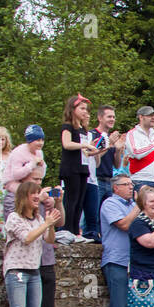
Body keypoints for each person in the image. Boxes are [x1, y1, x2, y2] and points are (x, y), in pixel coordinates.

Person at [3, 180, 60, 307]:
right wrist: (46, 223)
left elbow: (49, 240)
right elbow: (27, 238)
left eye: (38, 193)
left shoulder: (38, 220)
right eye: (32, 194)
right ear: (23, 197)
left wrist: (50, 225)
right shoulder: (14, 218)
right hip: (17, 270)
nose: (37, 197)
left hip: (34, 270)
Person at [101, 174, 141, 307]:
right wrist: (138, 208)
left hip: (132, 261)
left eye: (131, 184)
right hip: (116, 260)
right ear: (116, 188)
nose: (130, 187)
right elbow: (124, 225)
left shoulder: (132, 206)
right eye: (126, 185)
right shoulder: (110, 204)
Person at [59, 94, 95, 243]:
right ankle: (66, 230)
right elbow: (67, 144)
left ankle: (75, 231)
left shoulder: (83, 129)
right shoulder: (68, 126)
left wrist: (95, 150)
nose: (84, 111)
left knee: (80, 201)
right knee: (71, 200)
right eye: (81, 108)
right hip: (71, 168)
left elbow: (85, 151)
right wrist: (84, 145)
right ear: (73, 109)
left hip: (83, 167)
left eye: (86, 109)